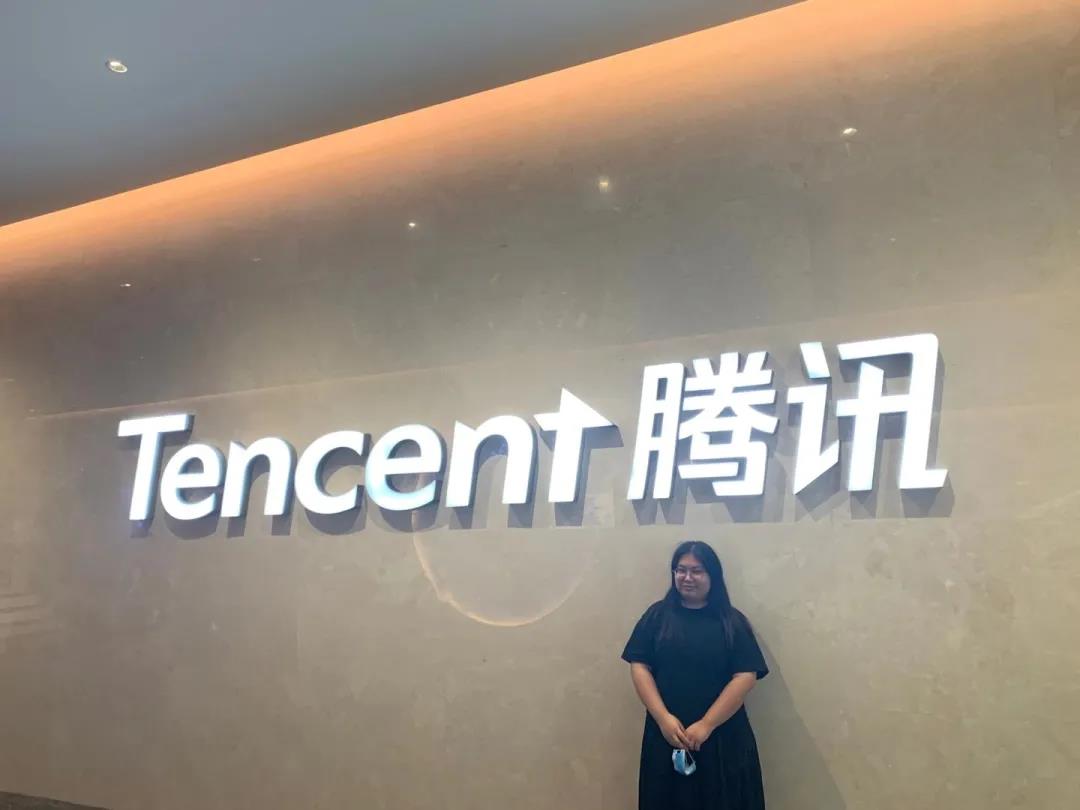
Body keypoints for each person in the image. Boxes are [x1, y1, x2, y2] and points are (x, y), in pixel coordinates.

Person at [622, 540, 769, 810]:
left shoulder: (731, 622)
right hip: (667, 734)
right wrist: (663, 718)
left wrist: (707, 724)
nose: (687, 577)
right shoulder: (657, 617)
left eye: (697, 571)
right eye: (681, 570)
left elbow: (746, 676)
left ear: (713, 575)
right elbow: (639, 665)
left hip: (723, 737)